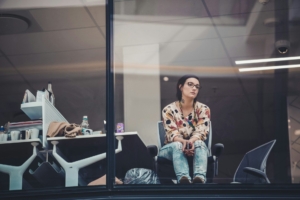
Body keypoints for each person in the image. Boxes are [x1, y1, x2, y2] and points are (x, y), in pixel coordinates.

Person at [158, 75, 211, 184]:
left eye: (197, 86)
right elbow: (172, 134)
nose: (194, 88)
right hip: (171, 149)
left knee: (199, 143)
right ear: (181, 87)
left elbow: (201, 132)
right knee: (178, 145)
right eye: (190, 84)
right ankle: (184, 180)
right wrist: (183, 142)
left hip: (195, 147)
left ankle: (199, 179)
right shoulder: (169, 109)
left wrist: (190, 142)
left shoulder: (203, 109)